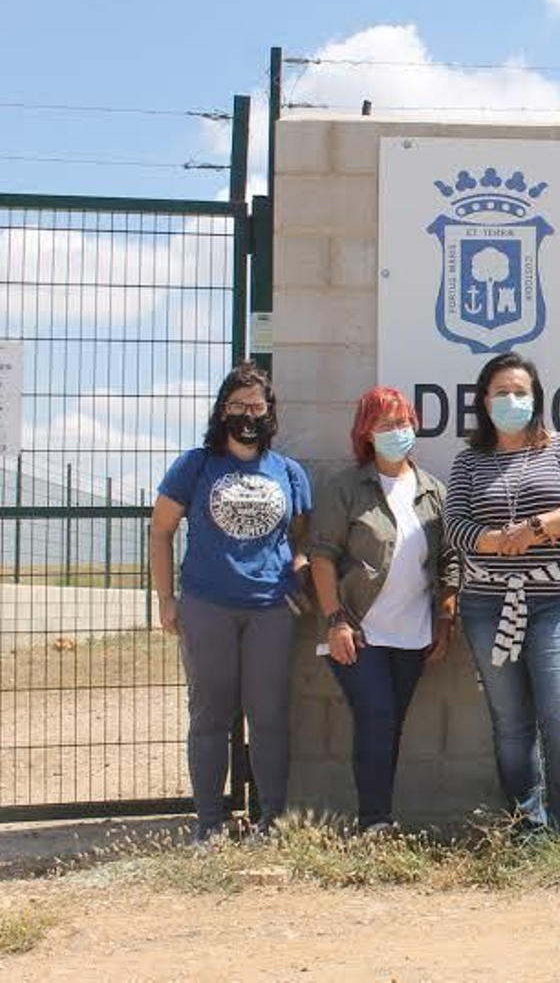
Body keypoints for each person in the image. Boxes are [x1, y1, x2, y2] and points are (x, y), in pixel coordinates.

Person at [150, 362, 312, 844]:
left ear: (271, 412)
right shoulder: (196, 465)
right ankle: (209, 825)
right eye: (237, 406)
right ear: (222, 411)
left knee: (268, 716)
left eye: (256, 407)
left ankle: (272, 821)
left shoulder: (289, 472)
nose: (247, 415)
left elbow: (303, 537)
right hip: (207, 606)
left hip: (270, 609)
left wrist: (299, 573)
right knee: (209, 715)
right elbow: (160, 530)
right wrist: (165, 599)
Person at [444, 352, 560, 838]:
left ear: (535, 399)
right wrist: (496, 541)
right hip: (488, 605)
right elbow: (455, 526)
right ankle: (526, 829)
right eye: (500, 393)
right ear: (483, 401)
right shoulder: (469, 460)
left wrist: (533, 529)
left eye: (520, 392)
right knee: (511, 726)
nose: (511, 400)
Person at [307, 386, 461, 834]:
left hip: (413, 632)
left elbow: (450, 557)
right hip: (359, 631)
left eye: (404, 422)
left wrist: (446, 619)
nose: (398, 431)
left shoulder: (433, 491)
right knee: (375, 715)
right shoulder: (346, 488)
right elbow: (321, 555)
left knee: (389, 726)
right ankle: (375, 821)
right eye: (386, 424)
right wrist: (335, 619)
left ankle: (379, 816)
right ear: (366, 433)